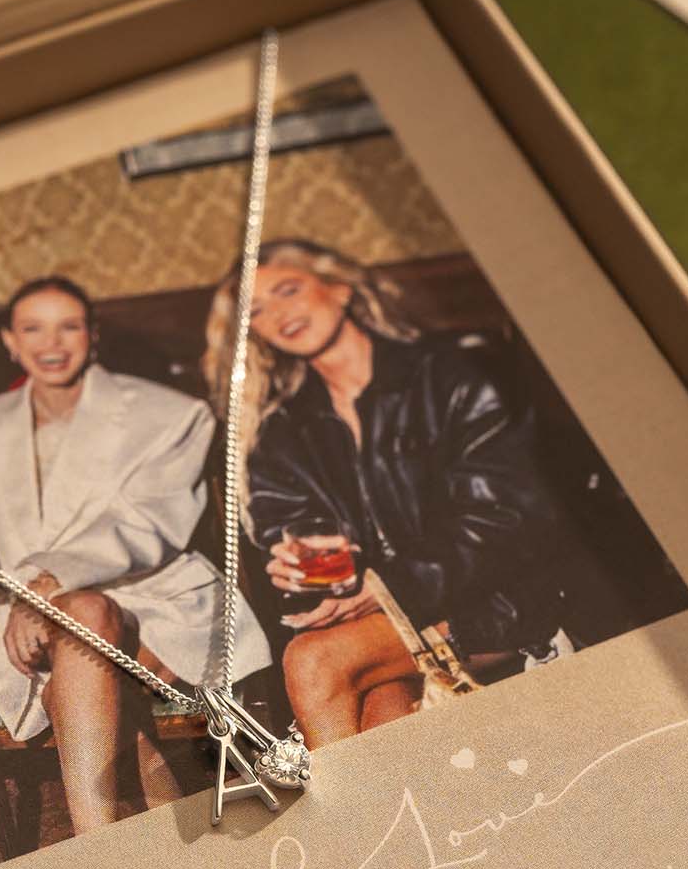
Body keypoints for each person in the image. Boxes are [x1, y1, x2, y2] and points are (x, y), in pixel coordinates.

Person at [0, 277, 268, 836]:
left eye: (69, 325)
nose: (53, 342)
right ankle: (138, 820)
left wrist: (45, 585)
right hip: (24, 629)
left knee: (86, 614)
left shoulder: (171, 414)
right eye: (33, 328)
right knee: (87, 629)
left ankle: (97, 844)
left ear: (92, 336)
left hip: (153, 602)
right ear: (10, 342)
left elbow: (143, 527)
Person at [203, 239, 571, 747]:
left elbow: (505, 521)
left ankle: (341, 828)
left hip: (495, 601)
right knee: (382, 722)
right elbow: (302, 550)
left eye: (289, 290)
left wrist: (386, 586)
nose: (278, 314)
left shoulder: (452, 376)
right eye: (258, 311)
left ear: (340, 290)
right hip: (378, 620)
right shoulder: (282, 433)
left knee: (312, 660)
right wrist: (295, 571)